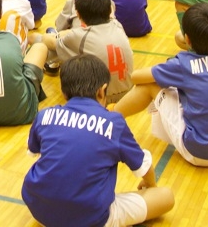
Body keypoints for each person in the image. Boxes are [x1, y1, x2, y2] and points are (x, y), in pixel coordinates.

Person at [22, 54, 174, 227]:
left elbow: (32, 151)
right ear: (102, 90)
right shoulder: (113, 122)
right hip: (92, 218)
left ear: (64, 92)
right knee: (166, 197)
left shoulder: (44, 115)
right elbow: (143, 167)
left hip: (38, 208)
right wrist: (150, 185)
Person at [114, 3, 208, 166]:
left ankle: (110, 117)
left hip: (200, 153)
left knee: (150, 84)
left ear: (187, 39)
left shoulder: (183, 65)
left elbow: (136, 77)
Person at [36, 0, 133, 102]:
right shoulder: (117, 25)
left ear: (78, 14)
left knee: (44, 48)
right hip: (127, 93)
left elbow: (50, 42)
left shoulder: (79, 36)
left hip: (101, 98)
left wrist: (44, 36)